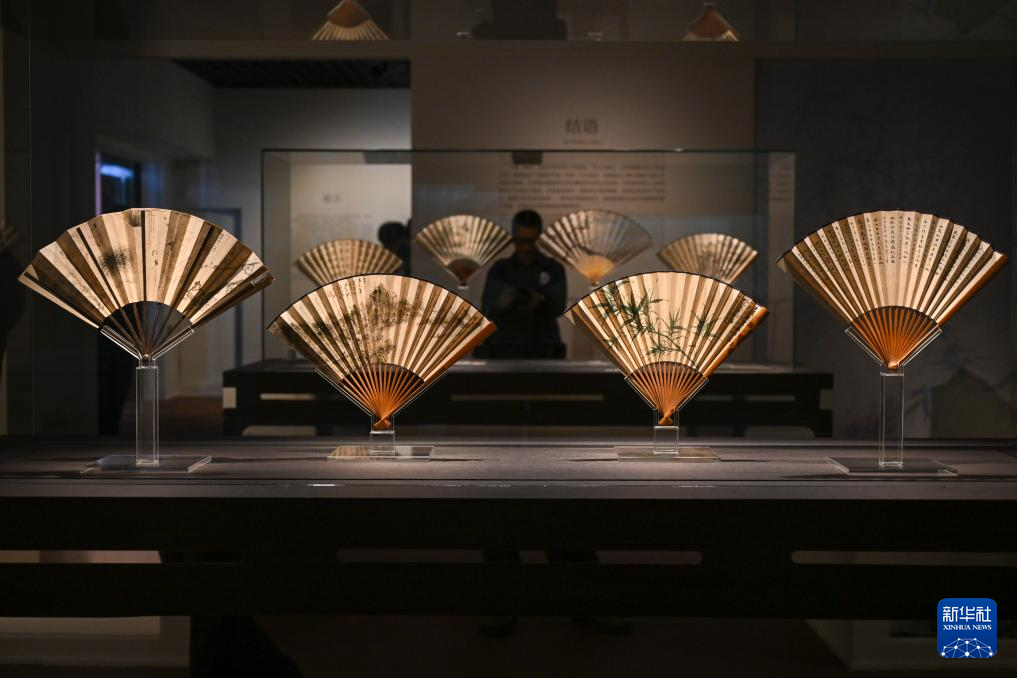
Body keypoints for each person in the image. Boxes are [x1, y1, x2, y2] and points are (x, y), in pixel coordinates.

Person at [479, 209, 566, 359]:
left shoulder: (553, 269)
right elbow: (486, 308)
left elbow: (558, 307)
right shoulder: (500, 269)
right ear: (513, 238)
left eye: (531, 241)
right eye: (521, 241)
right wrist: (501, 302)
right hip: (504, 347)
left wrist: (542, 301)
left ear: (539, 238)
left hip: (542, 347)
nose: (526, 247)